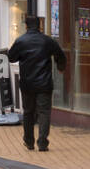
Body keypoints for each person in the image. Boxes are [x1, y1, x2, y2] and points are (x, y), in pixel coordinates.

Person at [6, 15, 67, 152]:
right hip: (44, 83)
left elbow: (11, 57)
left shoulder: (21, 41)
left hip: (27, 83)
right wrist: (60, 67)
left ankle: (29, 141)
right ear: (39, 25)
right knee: (44, 112)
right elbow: (60, 55)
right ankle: (43, 142)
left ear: (26, 26)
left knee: (28, 112)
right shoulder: (47, 41)